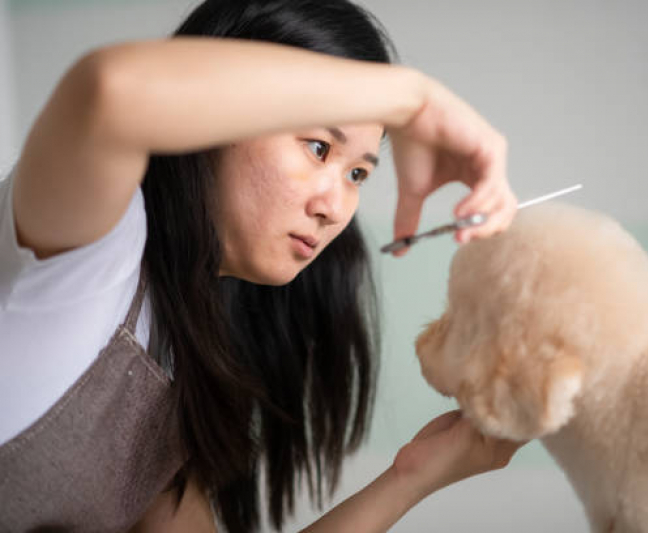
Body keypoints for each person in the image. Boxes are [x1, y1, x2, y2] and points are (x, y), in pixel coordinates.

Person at [0, 0, 521, 531]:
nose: (335, 208)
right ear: (215, 119)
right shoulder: (95, 242)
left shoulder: (180, 360)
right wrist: (414, 96)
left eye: (358, 174)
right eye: (318, 147)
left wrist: (413, 477)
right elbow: (107, 92)